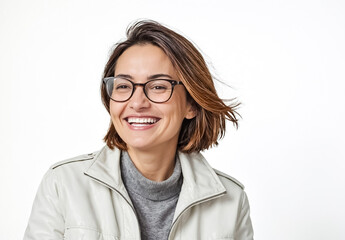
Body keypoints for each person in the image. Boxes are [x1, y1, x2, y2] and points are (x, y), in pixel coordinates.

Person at [24, 20, 254, 240]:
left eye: (158, 86)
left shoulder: (231, 200)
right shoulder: (63, 184)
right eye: (124, 86)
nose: (137, 102)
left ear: (191, 104)